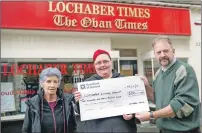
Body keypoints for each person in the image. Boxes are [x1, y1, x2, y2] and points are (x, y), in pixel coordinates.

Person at [135, 36, 201, 133]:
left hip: (184, 131)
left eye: (166, 51)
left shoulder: (183, 70)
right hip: (164, 129)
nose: (162, 55)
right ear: (155, 54)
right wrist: (146, 86)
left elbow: (180, 105)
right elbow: (156, 99)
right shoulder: (158, 73)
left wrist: (151, 115)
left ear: (173, 51)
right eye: (158, 52)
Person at [74, 49, 137, 132]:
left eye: (105, 61)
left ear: (111, 62)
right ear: (94, 65)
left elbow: (136, 104)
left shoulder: (124, 81)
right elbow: (80, 111)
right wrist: (78, 101)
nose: (102, 65)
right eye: (99, 63)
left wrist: (131, 113)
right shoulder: (87, 84)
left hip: (123, 129)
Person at [22, 67, 77, 133]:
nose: (52, 85)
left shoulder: (66, 102)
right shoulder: (33, 104)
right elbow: (26, 130)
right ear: (42, 84)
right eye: (48, 81)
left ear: (58, 84)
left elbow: (73, 128)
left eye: (55, 82)